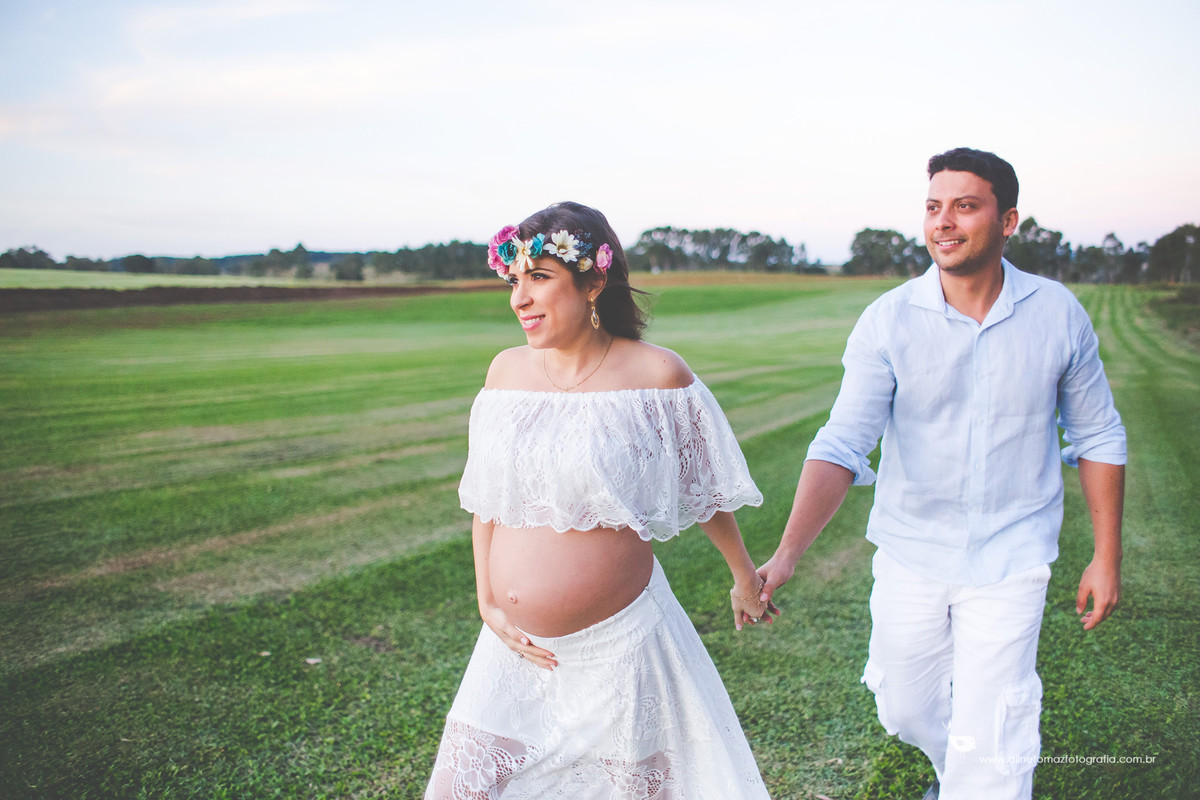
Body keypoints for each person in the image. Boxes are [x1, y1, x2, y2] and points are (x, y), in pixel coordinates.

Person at [757, 148, 1126, 800]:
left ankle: (977, 779)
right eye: (933, 207)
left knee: (997, 727)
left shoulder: (1058, 313)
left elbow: (1098, 435)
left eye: (964, 205)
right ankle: (960, 770)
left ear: (1008, 220)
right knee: (904, 708)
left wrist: (1105, 557)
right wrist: (787, 554)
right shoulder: (889, 321)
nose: (943, 222)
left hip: (1014, 554)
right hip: (911, 551)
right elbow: (844, 442)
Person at [425, 201, 776, 799]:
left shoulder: (657, 374)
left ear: (594, 280)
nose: (519, 299)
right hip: (514, 650)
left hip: (621, 650)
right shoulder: (505, 374)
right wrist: (487, 597)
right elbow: (489, 497)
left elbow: (702, 487)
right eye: (514, 280)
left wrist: (743, 574)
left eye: (539, 277)